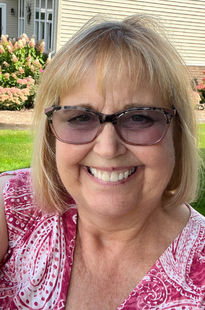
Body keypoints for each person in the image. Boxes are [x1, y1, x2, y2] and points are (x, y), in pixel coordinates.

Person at [0, 14, 204, 310]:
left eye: (139, 117)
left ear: (177, 133)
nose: (108, 148)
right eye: (80, 117)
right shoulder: (14, 205)